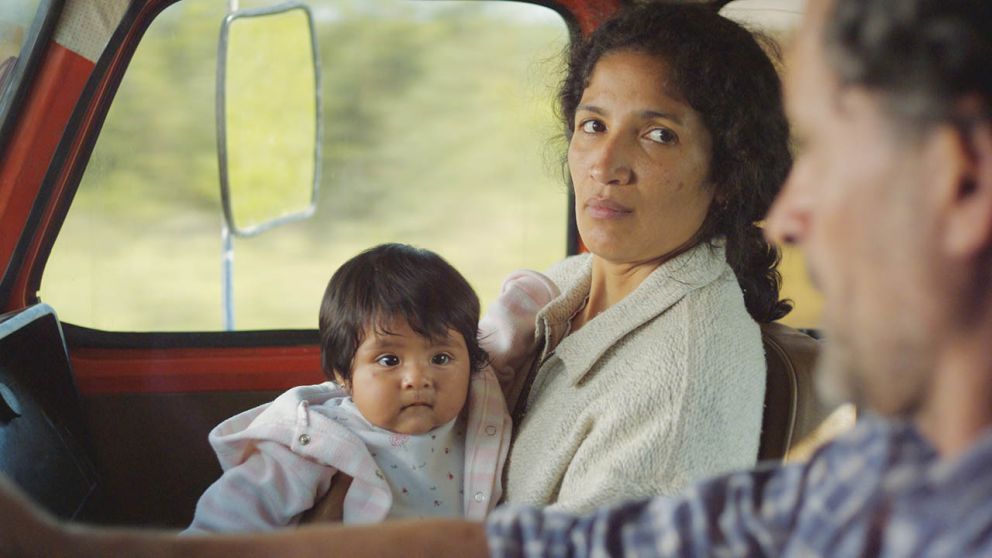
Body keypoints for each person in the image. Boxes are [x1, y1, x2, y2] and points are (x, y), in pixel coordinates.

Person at [5, 0, 992, 554]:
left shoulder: (683, 371)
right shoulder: (877, 484)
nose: (798, 213)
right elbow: (534, 550)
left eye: (655, 134)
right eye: (592, 124)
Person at [501, 2, 792, 511]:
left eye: (658, 135)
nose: (605, 165)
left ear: (726, 172)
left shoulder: (681, 385)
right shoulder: (566, 283)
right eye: (593, 125)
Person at [185, 243, 557, 530]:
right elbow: (228, 522)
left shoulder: (478, 405)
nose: (417, 378)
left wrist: (538, 292)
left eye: (441, 358)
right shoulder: (316, 442)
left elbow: (506, 334)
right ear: (343, 374)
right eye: (389, 361)